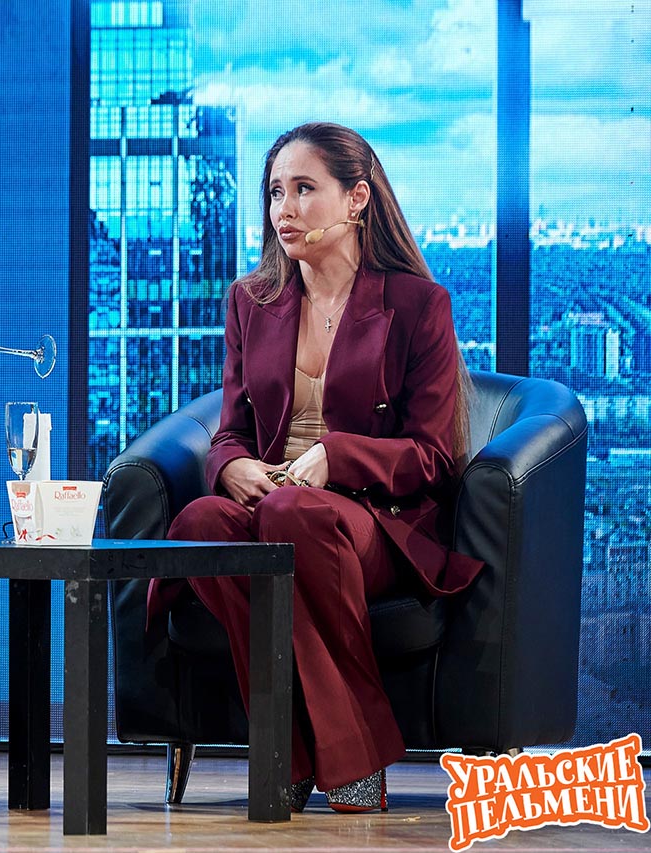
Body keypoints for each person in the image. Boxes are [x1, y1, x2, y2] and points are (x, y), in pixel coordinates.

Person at [148, 122, 484, 813]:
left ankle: (351, 755)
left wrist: (337, 456)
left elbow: (431, 456)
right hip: (272, 502)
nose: (285, 209)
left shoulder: (417, 305)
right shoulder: (251, 301)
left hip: (374, 520)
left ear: (357, 198)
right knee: (202, 521)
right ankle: (292, 753)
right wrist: (231, 466)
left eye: (304, 189)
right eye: (276, 192)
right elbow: (231, 430)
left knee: (292, 512)